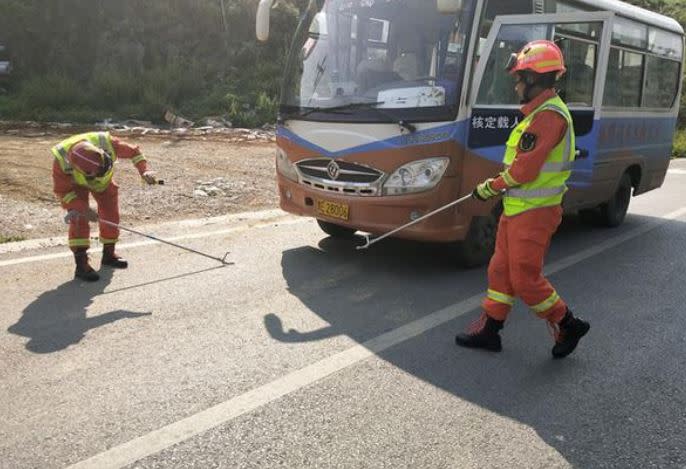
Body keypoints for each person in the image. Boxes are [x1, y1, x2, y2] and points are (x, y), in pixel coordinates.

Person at [455, 40, 590, 359]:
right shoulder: (539, 113)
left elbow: (524, 170)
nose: (515, 85)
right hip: (518, 209)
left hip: (535, 213)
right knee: (500, 271)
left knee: (525, 279)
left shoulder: (548, 117)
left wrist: (489, 187)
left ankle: (568, 324)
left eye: (519, 79)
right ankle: (491, 329)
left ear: (534, 80)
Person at [51, 131, 158, 282]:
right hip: (76, 185)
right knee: (79, 220)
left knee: (111, 217)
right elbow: (63, 192)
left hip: (105, 185)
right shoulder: (61, 161)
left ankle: (109, 255)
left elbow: (134, 152)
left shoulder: (107, 143)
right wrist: (83, 208)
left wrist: (144, 170)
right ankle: (81, 266)